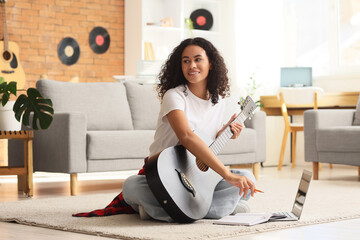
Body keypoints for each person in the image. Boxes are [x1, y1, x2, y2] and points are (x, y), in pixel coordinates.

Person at [73, 37, 256, 221]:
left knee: (248, 178)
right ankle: (218, 209)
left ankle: (162, 211)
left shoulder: (218, 100)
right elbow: (187, 137)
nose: (192, 65)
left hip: (197, 178)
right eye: (186, 61)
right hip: (166, 173)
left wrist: (226, 132)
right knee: (132, 186)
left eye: (198, 59)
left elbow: (206, 140)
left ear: (211, 64)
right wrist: (226, 174)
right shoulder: (174, 96)